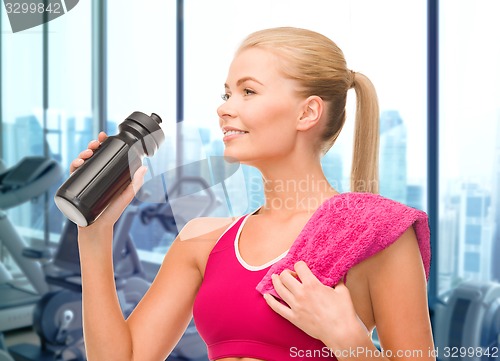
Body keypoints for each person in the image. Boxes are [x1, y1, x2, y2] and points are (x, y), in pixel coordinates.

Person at [71, 27, 435, 361]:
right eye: (227, 93)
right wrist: (95, 234)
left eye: (248, 91)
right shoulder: (201, 241)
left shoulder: (376, 234)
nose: (224, 108)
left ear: (307, 112)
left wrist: (350, 342)